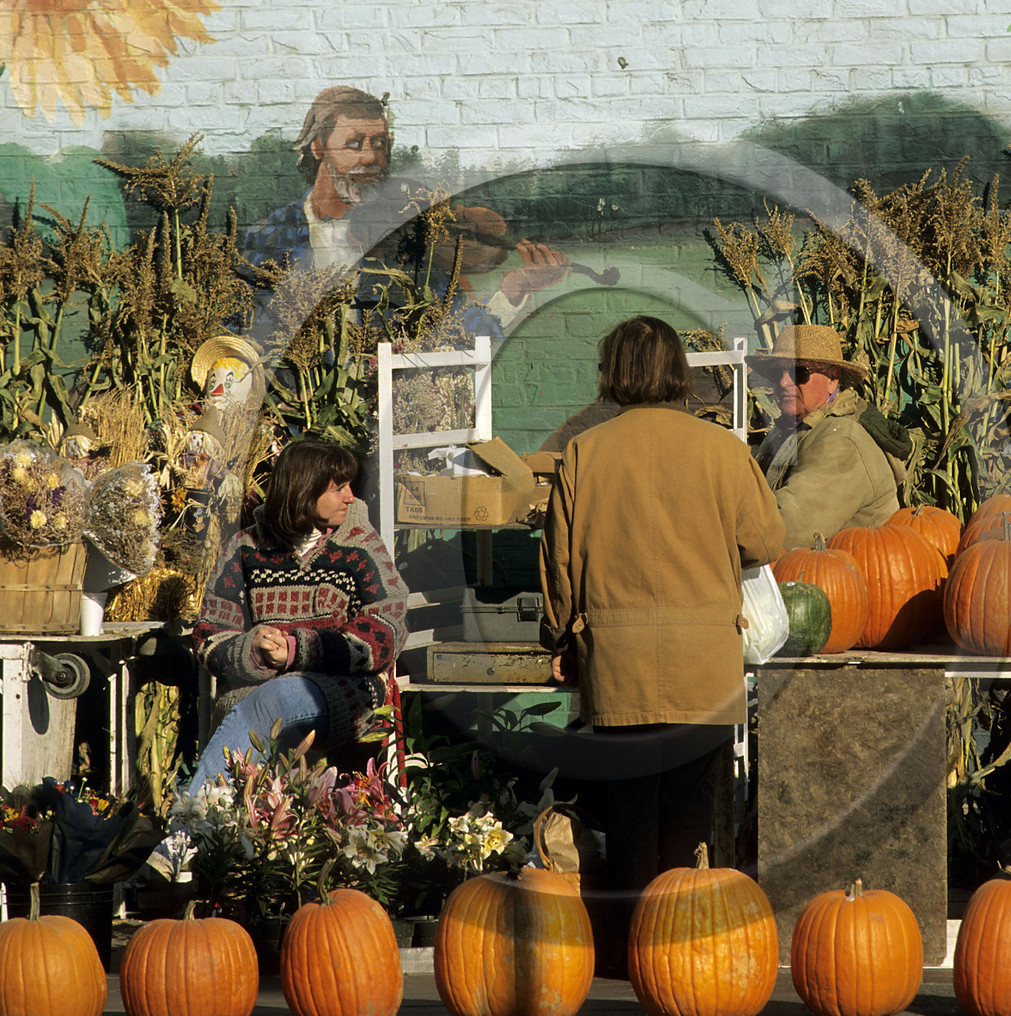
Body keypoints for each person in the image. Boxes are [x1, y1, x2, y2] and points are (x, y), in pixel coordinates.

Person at [540, 315, 785, 967]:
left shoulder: (583, 453)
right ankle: (674, 957)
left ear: (613, 374)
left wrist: (559, 636)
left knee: (628, 820)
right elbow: (766, 540)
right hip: (704, 669)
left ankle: (627, 957)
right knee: (689, 821)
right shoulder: (722, 449)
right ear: (678, 371)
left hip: (617, 667)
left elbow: (560, 568)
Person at [240, 85, 568, 335]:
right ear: (318, 147)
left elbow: (453, 335)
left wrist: (513, 291)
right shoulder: (270, 237)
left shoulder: (405, 235)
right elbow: (241, 335)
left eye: (379, 144)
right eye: (354, 144)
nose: (371, 157)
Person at [189, 440, 408, 791]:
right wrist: (253, 650)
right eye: (339, 488)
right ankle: (213, 816)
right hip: (254, 693)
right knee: (267, 702)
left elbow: (387, 629)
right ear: (304, 492)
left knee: (279, 696)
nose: (350, 497)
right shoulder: (245, 548)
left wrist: (296, 650)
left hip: (343, 691)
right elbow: (208, 635)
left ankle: (193, 815)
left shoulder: (361, 545)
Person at [751, 323, 901, 548]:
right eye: (776, 373)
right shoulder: (789, 429)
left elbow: (787, 532)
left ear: (832, 378)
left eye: (799, 372)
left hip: (843, 568)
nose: (783, 382)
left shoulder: (841, 442)